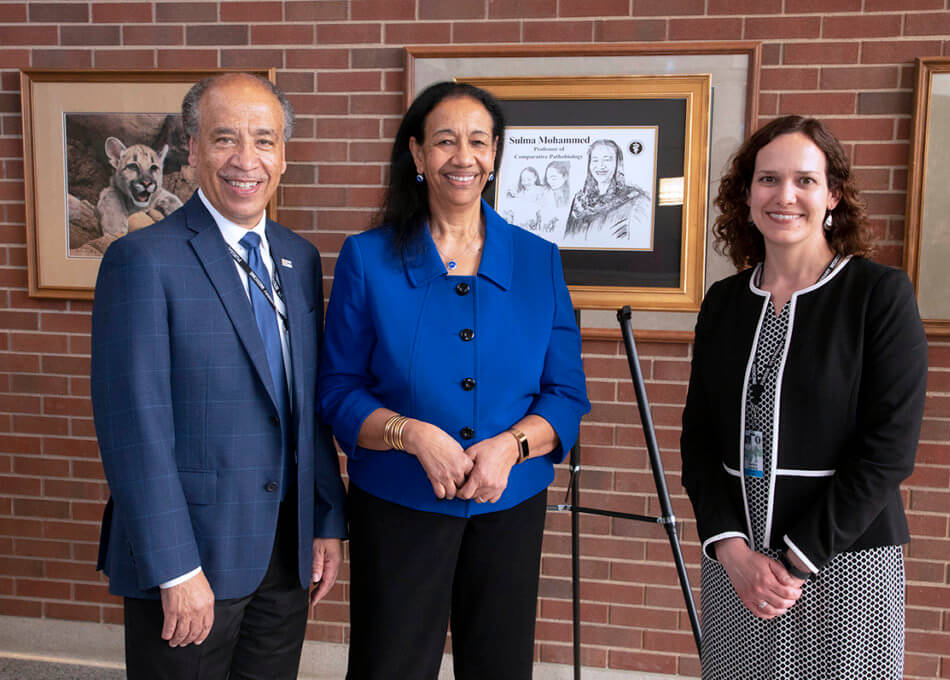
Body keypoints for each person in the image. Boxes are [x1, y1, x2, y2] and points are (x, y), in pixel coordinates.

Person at [316, 81, 589, 680]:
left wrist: (511, 447)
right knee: (389, 665)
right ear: (417, 155)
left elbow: (566, 394)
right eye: (444, 141)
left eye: (477, 142)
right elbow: (336, 389)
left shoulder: (539, 259)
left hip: (509, 503)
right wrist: (410, 434)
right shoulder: (367, 257)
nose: (462, 157)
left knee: (499, 666)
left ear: (494, 156)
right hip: (397, 501)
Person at [90, 73, 347, 680]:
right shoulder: (142, 260)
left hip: (285, 557)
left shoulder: (298, 257)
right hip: (192, 561)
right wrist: (176, 570)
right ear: (192, 146)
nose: (246, 160)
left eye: (264, 140)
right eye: (225, 139)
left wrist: (325, 521)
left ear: (283, 154)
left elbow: (302, 408)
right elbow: (134, 429)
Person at [679, 115, 927, 678]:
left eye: (805, 181)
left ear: (833, 195)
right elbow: (699, 440)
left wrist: (794, 562)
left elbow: (888, 451)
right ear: (746, 196)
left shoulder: (878, 296)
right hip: (737, 570)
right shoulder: (723, 302)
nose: (784, 196)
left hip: (845, 565)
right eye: (767, 179)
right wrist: (732, 551)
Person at [564, 139, 650, 242]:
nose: (600, 166)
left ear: (618, 164)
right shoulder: (579, 202)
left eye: (607, 159)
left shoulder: (636, 201)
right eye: (595, 160)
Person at [500, 165, 543, 231]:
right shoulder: (521, 192)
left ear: (535, 178)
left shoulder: (541, 191)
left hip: (534, 226)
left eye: (529, 179)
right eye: (523, 180)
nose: (525, 182)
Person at [538, 160, 572, 234]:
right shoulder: (545, 193)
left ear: (565, 176)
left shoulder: (572, 193)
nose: (550, 182)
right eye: (547, 178)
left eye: (553, 178)